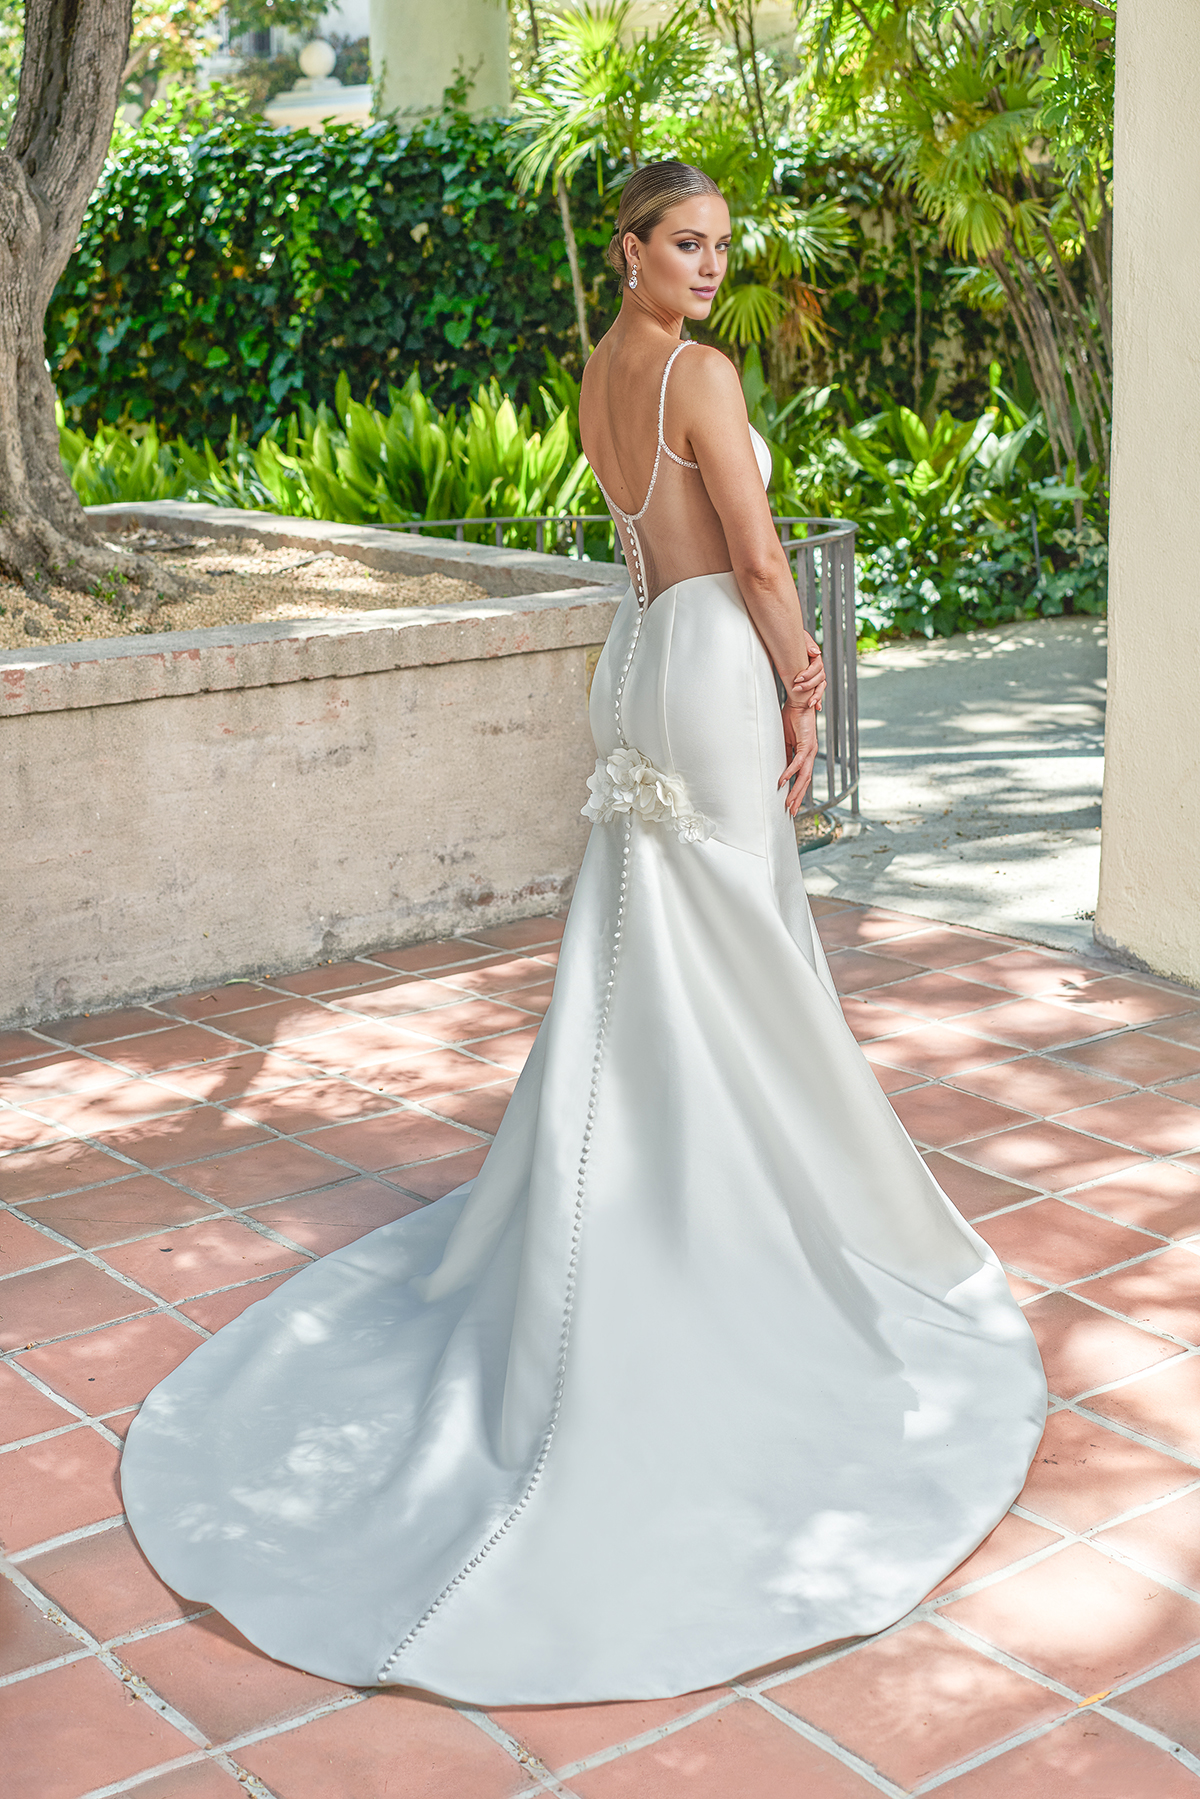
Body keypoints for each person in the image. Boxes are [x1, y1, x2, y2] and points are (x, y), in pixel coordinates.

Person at [121, 161, 1046, 1706]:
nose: (709, 264)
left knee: (652, 952)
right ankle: (718, 1222)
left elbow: (645, 543)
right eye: (686, 242)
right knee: (741, 954)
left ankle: (637, 1189)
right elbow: (757, 557)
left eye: (721, 245)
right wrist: (806, 689)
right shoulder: (700, 374)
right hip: (711, 658)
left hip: (635, 661)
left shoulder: (598, 378)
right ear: (630, 249)